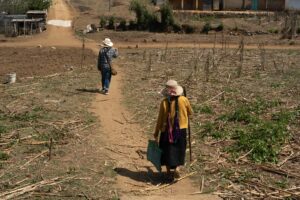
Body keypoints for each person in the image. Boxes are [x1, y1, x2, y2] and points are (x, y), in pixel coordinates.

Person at [154, 80, 192, 180]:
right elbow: (190, 112)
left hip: (166, 130)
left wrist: (156, 132)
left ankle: (168, 172)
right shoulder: (184, 100)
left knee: (166, 150)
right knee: (180, 149)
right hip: (181, 129)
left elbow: (160, 118)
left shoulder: (164, 102)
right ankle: (178, 168)